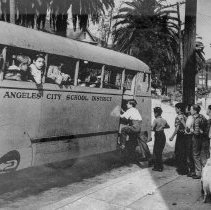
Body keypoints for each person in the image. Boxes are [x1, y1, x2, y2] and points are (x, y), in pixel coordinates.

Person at [191, 104, 208, 179]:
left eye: (191, 109)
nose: (190, 111)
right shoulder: (203, 117)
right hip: (204, 138)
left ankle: (198, 173)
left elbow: (196, 132)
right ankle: (205, 172)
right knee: (203, 155)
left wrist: (191, 130)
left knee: (196, 155)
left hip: (197, 138)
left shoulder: (196, 118)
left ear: (195, 111)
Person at [169, 103, 188, 175]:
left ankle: (181, 169)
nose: (175, 110)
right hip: (185, 136)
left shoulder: (178, 117)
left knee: (179, 152)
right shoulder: (185, 116)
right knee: (184, 152)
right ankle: (185, 169)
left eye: (176, 108)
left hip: (180, 136)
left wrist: (172, 136)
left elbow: (177, 128)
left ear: (179, 109)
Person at [152, 107, 170, 171]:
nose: (154, 114)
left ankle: (158, 167)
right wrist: (162, 126)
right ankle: (159, 167)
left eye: (154, 113)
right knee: (160, 151)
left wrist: (156, 128)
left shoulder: (155, 120)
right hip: (163, 135)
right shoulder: (164, 120)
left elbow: (152, 128)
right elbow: (168, 126)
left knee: (157, 152)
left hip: (157, 135)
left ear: (156, 113)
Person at [185, 104, 195, 177]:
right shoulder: (193, 117)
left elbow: (187, 129)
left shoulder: (190, 117)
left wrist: (182, 122)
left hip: (189, 136)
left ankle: (191, 171)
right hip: (192, 136)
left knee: (189, 153)